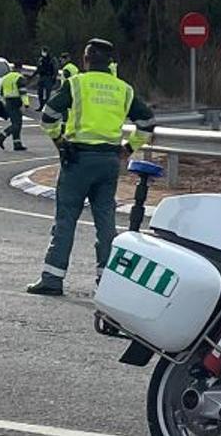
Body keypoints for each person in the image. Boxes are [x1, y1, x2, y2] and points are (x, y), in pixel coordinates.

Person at [27, 38, 156, 296]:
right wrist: (128, 149)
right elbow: (147, 122)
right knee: (105, 221)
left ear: (86, 59)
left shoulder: (77, 83)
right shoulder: (124, 89)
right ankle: (107, 280)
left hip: (78, 159)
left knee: (66, 219)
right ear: (110, 63)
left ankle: (53, 278)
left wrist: (59, 142)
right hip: (108, 161)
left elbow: (49, 115)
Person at [0, 61, 30, 151]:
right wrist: (26, 104)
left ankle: (17, 143)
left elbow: (2, 92)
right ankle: (1, 136)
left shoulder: (5, 78)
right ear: (20, 69)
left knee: (17, 122)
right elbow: (23, 92)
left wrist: (4, 103)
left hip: (8, 102)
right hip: (16, 101)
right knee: (16, 124)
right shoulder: (19, 78)